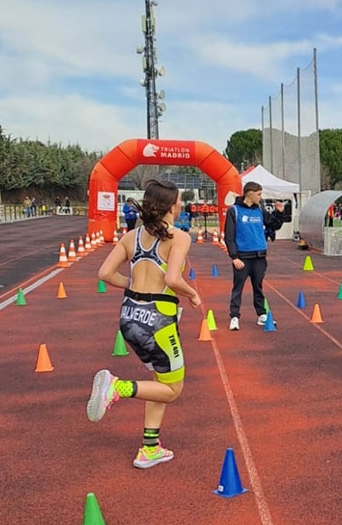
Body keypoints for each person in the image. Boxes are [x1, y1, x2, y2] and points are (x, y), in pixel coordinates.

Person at [87, 179, 201, 469]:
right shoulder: (179, 237)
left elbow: (104, 273)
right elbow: (173, 280)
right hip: (158, 320)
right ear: (172, 206)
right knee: (173, 389)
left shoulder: (131, 237)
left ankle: (149, 448)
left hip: (129, 316)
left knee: (159, 381)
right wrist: (192, 295)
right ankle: (118, 388)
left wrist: (133, 284)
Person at [224, 181, 284, 330]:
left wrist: (279, 213)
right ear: (249, 194)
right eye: (258, 194)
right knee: (238, 288)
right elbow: (229, 237)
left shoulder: (260, 210)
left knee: (258, 287)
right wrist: (234, 257)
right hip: (242, 257)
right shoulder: (234, 211)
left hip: (259, 256)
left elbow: (273, 225)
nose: (260, 197)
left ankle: (261, 315)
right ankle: (234, 317)